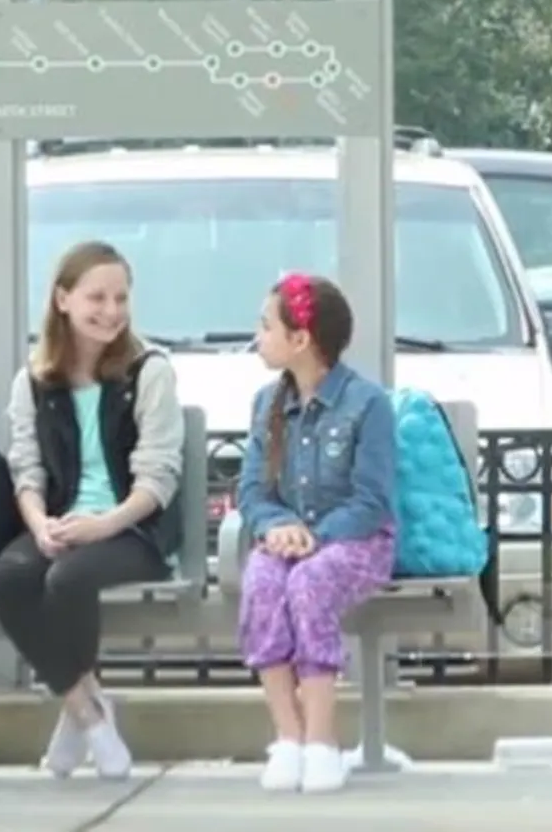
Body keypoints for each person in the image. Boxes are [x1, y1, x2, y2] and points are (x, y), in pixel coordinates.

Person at [0, 241, 184, 780]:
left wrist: (105, 524)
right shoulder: (34, 380)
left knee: (68, 580)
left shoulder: (150, 372)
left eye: (121, 297)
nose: (111, 310)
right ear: (62, 300)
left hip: (131, 529)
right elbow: (25, 470)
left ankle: (83, 721)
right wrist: (39, 524)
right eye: (96, 297)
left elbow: (158, 477)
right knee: (12, 575)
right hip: (63, 521)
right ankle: (90, 710)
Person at [235, 272, 396, 794]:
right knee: (262, 584)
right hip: (286, 542)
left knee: (308, 584)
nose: (257, 336)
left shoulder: (367, 404)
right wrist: (276, 526)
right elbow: (253, 492)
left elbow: (372, 501)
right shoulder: (266, 404)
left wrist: (315, 537)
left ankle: (323, 741)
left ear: (300, 339)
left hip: (357, 543)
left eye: (265, 326)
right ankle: (290, 737)